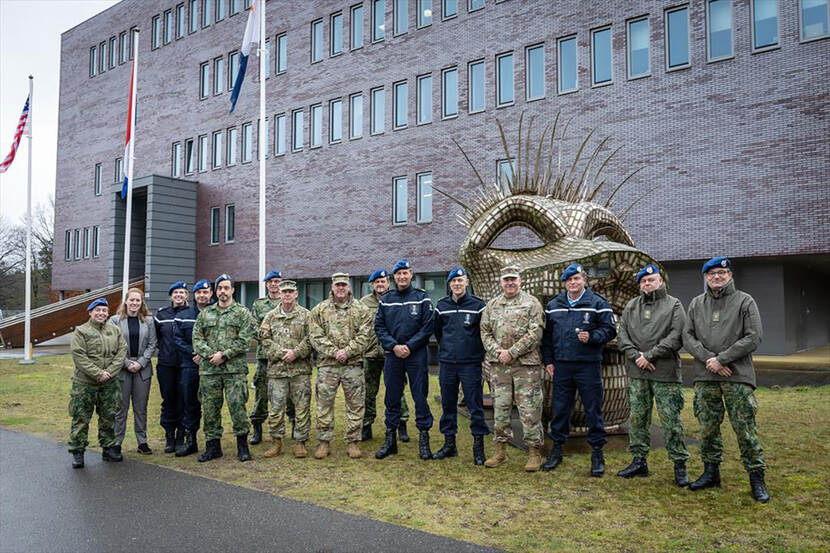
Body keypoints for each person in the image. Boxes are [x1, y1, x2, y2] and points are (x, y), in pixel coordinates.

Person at [683, 257, 769, 503]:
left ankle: (756, 477)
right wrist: (710, 359)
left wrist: (722, 359)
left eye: (721, 272)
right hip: (705, 376)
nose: (716, 277)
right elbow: (688, 336)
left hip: (737, 376)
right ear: (706, 278)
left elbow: (754, 336)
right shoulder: (696, 304)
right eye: (711, 274)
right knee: (708, 428)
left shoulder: (744, 301)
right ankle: (711, 473)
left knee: (744, 429)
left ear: (730, 275)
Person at [616, 264, 691, 486]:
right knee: (638, 418)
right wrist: (636, 356)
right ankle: (639, 461)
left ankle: (679, 464)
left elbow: (677, 335)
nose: (647, 284)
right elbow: (623, 336)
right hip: (637, 372)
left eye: (652, 280)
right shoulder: (631, 306)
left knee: (670, 420)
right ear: (640, 285)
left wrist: (649, 355)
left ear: (661, 282)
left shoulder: (674, 305)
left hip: (664, 372)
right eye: (644, 281)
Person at [541, 263, 617, 477]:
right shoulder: (554, 304)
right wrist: (548, 360)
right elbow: (546, 337)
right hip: (562, 365)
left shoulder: (597, 302)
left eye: (577, 279)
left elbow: (610, 329)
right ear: (564, 283)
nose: (573, 283)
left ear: (584, 280)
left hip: (588, 364)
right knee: (560, 408)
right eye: (569, 280)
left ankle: (597, 453)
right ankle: (557, 450)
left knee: (593, 409)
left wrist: (592, 337)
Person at [480, 265, 545, 472]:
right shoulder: (492, 305)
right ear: (501, 282)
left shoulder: (531, 303)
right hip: (500, 366)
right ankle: (500, 451)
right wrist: (498, 352)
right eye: (506, 280)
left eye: (513, 279)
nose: (509, 283)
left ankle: (534, 452)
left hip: (525, 366)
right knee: (501, 408)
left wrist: (512, 352)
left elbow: (536, 333)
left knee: (529, 409)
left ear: (520, 281)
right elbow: (485, 332)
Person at [374, 259, 435, 460]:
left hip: (416, 355)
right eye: (398, 274)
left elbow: (428, 327)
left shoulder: (422, 297)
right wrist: (394, 346)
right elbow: (379, 327)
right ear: (394, 278)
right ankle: (390, 440)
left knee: (420, 396)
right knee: (392, 397)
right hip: (393, 356)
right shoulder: (386, 299)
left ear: (411, 275)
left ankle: (424, 439)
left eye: (405, 273)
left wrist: (409, 346)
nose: (402, 277)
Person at [192, 274, 256, 462]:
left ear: (232, 290)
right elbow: (197, 339)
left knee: (237, 408)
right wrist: (213, 355)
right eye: (220, 288)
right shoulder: (206, 314)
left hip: (234, 371)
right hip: (209, 371)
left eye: (226, 288)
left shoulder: (242, 313)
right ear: (216, 291)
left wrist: (224, 355)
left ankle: (242, 446)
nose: (223, 291)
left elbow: (244, 341)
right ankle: (213, 447)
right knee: (210, 410)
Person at [308, 273, 371, 459]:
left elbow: (365, 335)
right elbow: (315, 336)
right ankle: (323, 442)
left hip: (353, 366)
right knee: (323, 405)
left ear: (349, 287)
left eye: (344, 285)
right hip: (328, 365)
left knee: (356, 405)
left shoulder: (361, 309)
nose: (341, 288)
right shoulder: (319, 310)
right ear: (332, 287)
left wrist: (347, 352)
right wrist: (335, 352)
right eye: (338, 285)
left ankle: (353, 442)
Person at [433, 266, 489, 464]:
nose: (457, 284)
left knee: (475, 405)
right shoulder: (441, 305)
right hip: (447, 363)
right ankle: (449, 444)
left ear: (466, 282)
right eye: (454, 281)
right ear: (450, 284)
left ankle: (478, 446)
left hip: (470, 364)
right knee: (448, 405)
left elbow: (484, 332)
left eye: (460, 280)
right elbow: (439, 333)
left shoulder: (478, 305)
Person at [68, 298, 127, 468]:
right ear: (90, 312)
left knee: (109, 416)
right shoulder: (81, 331)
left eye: (104, 311)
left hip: (109, 383)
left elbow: (122, 351)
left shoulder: (115, 330)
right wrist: (98, 373)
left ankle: (108, 448)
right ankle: (78, 452)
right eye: (98, 310)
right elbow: (79, 355)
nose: (101, 313)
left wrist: (109, 373)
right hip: (85, 383)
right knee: (81, 417)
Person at [259, 280, 313, 458]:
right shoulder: (270, 316)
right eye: (284, 291)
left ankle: (300, 442)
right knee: (275, 408)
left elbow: (311, 338)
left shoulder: (306, 315)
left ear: (296, 294)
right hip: (277, 371)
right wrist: (281, 353)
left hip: (300, 370)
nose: (287, 294)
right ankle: (276, 442)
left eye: (291, 291)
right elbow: (265, 340)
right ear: (280, 294)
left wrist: (296, 353)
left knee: (302, 407)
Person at [359, 269, 410, 443]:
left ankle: (401, 425)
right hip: (370, 354)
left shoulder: (397, 298)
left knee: (397, 391)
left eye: (383, 281)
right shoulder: (363, 303)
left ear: (388, 283)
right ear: (372, 285)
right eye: (377, 282)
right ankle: (366, 425)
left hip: (392, 353)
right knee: (368, 392)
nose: (380, 285)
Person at [109, 287, 157, 456]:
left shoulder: (148, 321)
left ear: (141, 302)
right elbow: (112, 345)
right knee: (120, 408)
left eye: (138, 300)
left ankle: (142, 441)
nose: (135, 303)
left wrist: (141, 362)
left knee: (140, 408)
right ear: (126, 301)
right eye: (132, 300)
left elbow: (152, 344)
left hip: (142, 370)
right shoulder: (115, 320)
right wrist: (127, 363)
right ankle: (116, 442)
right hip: (122, 369)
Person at [171, 278, 212, 457]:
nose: (202, 295)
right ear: (194, 295)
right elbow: (177, 339)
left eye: (205, 292)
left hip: (212, 365)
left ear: (210, 294)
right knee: (190, 404)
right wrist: (194, 354)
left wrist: (206, 355)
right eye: (199, 293)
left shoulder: (217, 313)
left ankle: (212, 442)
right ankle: (191, 440)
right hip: (190, 365)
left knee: (212, 404)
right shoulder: (183, 314)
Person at [154, 281, 189, 453]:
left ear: (186, 295)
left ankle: (181, 435)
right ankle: (169, 435)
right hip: (166, 365)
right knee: (168, 400)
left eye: (182, 292)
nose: (179, 295)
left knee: (183, 400)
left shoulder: (191, 313)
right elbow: (156, 338)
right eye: (176, 292)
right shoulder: (161, 314)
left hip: (185, 365)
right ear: (171, 296)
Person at [249, 270, 284, 445]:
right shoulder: (259, 305)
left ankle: (292, 424)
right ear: (266, 284)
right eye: (271, 281)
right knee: (261, 394)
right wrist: (269, 338)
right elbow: (254, 327)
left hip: (284, 357)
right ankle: (257, 428)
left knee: (289, 395)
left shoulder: (288, 301)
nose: (274, 284)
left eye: (277, 281)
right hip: (264, 357)